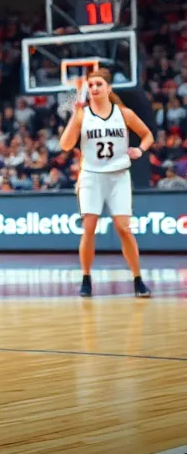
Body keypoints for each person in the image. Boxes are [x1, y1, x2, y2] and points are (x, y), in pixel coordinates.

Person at [58, 67, 154, 297]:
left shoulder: (124, 113)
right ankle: (86, 278)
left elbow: (148, 135)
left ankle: (138, 279)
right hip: (91, 175)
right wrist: (74, 115)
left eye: (99, 84)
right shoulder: (83, 114)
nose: (94, 88)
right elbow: (65, 145)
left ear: (108, 88)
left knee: (123, 228)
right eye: (90, 85)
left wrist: (140, 150)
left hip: (119, 175)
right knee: (88, 228)